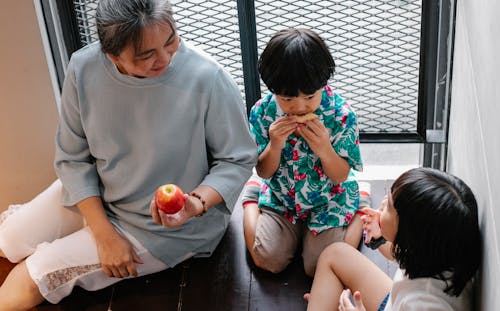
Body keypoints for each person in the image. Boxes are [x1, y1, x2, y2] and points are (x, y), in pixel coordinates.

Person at [0, 0, 257, 309]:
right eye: (146, 54)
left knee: (34, 276)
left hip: (162, 228)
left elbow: (237, 159)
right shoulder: (83, 68)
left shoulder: (208, 76)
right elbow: (72, 158)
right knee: (9, 240)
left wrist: (196, 203)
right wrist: (103, 233)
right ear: (110, 54)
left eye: (171, 40)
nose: (164, 58)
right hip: (98, 194)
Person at [242, 28, 364, 278]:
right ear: (273, 89)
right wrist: (274, 144)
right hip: (281, 197)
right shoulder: (262, 113)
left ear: (323, 84)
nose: (299, 107)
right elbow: (264, 170)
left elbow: (340, 176)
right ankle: (251, 198)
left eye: (310, 96)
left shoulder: (341, 116)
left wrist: (324, 148)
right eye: (287, 99)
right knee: (266, 258)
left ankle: (360, 207)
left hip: (329, 198)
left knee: (319, 267)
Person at [306, 167, 482, 311]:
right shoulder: (442, 252)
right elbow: (397, 253)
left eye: (389, 206)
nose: (383, 203)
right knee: (335, 254)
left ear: (409, 234)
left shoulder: (425, 305)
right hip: (395, 302)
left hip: (399, 303)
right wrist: (381, 235)